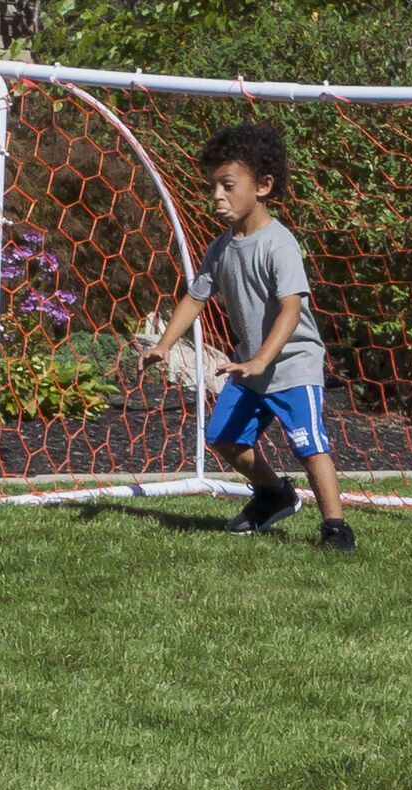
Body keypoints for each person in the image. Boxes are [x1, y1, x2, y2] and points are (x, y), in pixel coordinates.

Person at [141, 122, 355, 552]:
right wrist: (163, 344)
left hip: (292, 363)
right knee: (223, 436)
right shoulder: (220, 248)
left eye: (227, 186)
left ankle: (335, 527)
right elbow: (194, 298)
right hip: (248, 366)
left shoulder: (279, 245)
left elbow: (292, 310)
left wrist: (262, 360)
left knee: (309, 445)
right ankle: (275, 494)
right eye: (213, 187)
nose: (216, 196)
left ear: (263, 186)